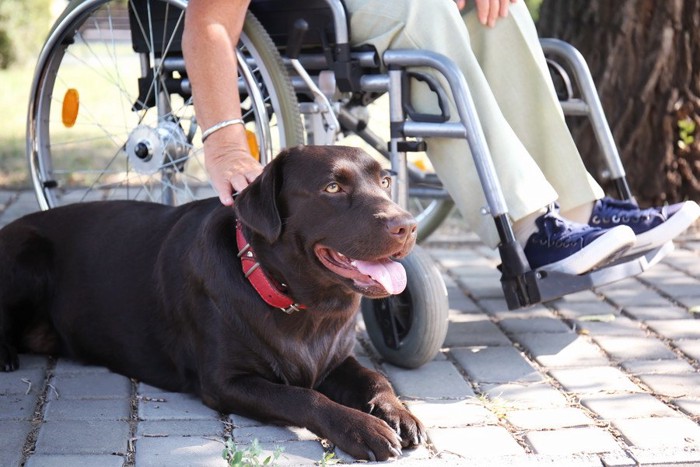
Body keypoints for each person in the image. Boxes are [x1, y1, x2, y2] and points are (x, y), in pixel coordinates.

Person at [182, 0, 700, 275]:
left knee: (495, 10)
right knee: (419, 9)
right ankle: (526, 227)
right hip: (297, 13)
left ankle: (578, 210)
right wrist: (226, 143)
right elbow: (210, 24)